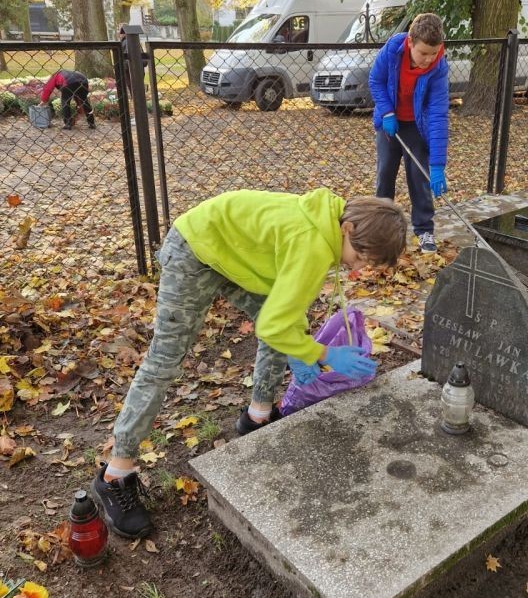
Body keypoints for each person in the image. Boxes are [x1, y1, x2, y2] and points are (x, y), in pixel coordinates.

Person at [91, 188, 408, 539]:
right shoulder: (314, 245)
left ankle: (257, 417)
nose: (359, 267)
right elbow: (274, 324)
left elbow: (284, 310)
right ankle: (115, 475)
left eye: (369, 264)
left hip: (233, 253)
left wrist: (300, 345)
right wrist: (323, 354)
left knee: (282, 328)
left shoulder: (327, 222)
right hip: (195, 249)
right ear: (347, 228)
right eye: (362, 256)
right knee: (164, 361)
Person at [369, 12, 449, 254]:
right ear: (411, 43)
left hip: (416, 126)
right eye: (423, 53)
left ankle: (424, 230)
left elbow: (437, 115)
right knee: (385, 175)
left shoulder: (439, 68)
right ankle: (380, 230)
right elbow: (375, 80)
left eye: (433, 53)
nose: (428, 59)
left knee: (419, 176)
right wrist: (386, 112)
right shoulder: (393, 49)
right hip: (390, 124)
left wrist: (437, 165)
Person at [118, 24, 149, 99]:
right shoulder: (132, 41)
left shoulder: (127, 42)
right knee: (137, 91)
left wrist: (124, 67)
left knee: (134, 92)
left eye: (119, 30)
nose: (118, 33)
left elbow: (128, 58)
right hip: (137, 69)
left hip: (130, 71)